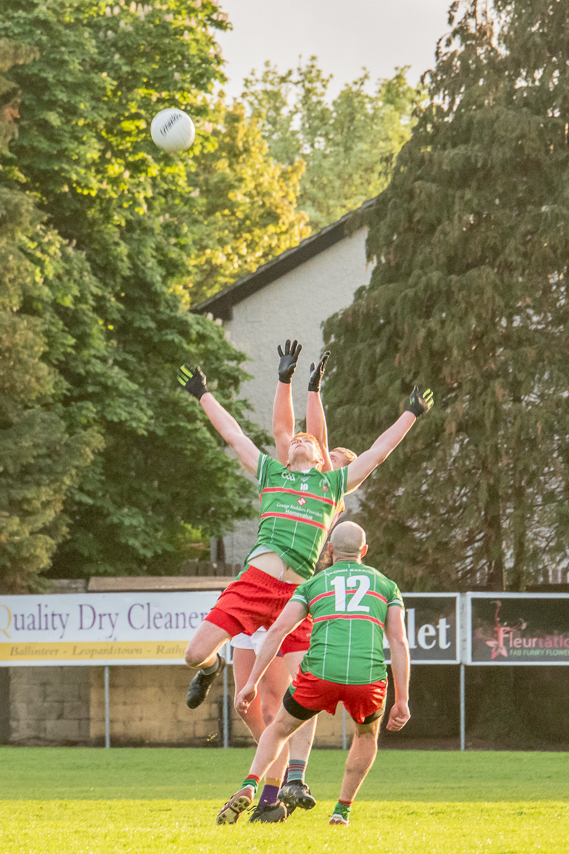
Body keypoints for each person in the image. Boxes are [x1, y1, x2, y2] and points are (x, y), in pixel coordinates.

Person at [215, 521, 410, 826]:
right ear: (364, 551)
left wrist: (252, 682)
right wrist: (403, 700)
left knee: (279, 728)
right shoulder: (386, 586)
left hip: (320, 674)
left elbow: (278, 630)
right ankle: (341, 811)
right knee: (366, 735)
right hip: (367, 678)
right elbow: (398, 642)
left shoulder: (312, 585)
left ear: (329, 550)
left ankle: (253, 783)